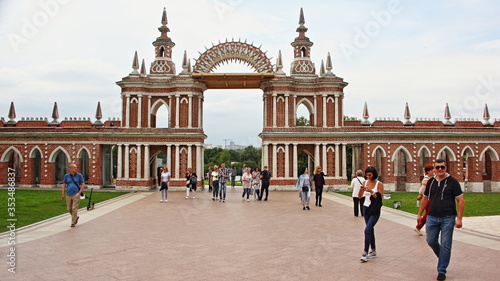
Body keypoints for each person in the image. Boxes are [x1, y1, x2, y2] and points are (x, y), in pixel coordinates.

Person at [417, 159, 465, 281]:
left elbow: (460, 201)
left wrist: (459, 219)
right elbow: (425, 199)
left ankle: (441, 270)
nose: (439, 170)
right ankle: (443, 258)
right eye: (437, 167)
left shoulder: (452, 182)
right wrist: (419, 214)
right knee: (431, 241)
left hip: (447, 218)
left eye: (442, 167)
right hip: (432, 217)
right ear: (434, 169)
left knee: (446, 244)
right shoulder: (431, 182)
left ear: (446, 167)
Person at [358, 166, 384, 262]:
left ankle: (365, 252)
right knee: (370, 229)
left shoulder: (379, 184)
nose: (368, 177)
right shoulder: (365, 182)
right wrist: (361, 189)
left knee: (367, 229)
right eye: (367, 175)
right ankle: (373, 250)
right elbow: (360, 197)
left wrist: (371, 191)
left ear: (374, 174)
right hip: (366, 208)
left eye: (370, 175)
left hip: (375, 210)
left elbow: (379, 197)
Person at [61, 163, 85, 227]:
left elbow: (83, 184)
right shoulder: (66, 176)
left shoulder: (79, 175)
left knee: (74, 208)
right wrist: (63, 194)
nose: (76, 169)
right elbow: (64, 185)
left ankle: (73, 222)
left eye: (76, 167)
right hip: (68, 194)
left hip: (76, 194)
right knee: (69, 209)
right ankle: (76, 217)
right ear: (70, 169)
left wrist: (79, 192)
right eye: (74, 168)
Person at [414, 164, 434, 235]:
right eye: (431, 170)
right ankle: (418, 227)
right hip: (427, 199)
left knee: (429, 213)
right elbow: (422, 190)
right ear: (428, 172)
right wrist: (421, 195)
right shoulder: (426, 179)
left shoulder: (431, 178)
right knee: (428, 214)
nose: (433, 171)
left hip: (430, 198)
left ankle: (421, 227)